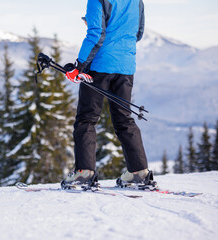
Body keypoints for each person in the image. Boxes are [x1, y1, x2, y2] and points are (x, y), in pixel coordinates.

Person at [62, 0, 155, 189]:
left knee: (86, 119)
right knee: (124, 119)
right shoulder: (137, 1)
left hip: (99, 66)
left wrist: (79, 66)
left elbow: (96, 33)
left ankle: (84, 173)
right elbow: (138, 33)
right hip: (126, 66)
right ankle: (139, 173)